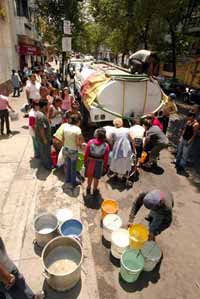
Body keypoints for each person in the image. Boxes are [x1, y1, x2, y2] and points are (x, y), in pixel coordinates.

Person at [54, 114, 83, 188]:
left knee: (67, 166)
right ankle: (73, 182)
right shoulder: (78, 129)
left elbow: (63, 139)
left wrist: (66, 145)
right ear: (78, 121)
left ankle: (67, 180)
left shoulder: (65, 127)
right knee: (73, 168)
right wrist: (80, 146)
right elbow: (77, 142)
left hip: (65, 149)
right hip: (73, 151)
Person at [84, 128, 110, 196]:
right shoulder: (106, 146)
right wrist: (105, 166)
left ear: (97, 135)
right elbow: (106, 158)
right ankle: (94, 189)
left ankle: (88, 188)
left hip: (90, 162)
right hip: (99, 163)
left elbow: (86, 153)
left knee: (90, 176)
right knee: (96, 178)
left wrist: (85, 162)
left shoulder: (90, 142)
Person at [176, 111, 199, 176]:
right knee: (179, 151)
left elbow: (194, 135)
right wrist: (181, 137)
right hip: (183, 138)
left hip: (188, 141)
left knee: (184, 154)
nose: (188, 117)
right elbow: (185, 130)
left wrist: (189, 141)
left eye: (189, 116)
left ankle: (181, 167)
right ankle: (177, 163)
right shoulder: (188, 122)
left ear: (192, 116)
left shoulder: (196, 124)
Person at [35, 100, 52, 170]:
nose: (48, 107)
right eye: (47, 105)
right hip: (43, 138)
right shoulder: (40, 116)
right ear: (44, 106)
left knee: (44, 151)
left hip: (43, 137)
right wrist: (44, 139)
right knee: (45, 151)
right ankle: (47, 165)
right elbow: (41, 129)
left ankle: (44, 162)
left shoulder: (41, 113)